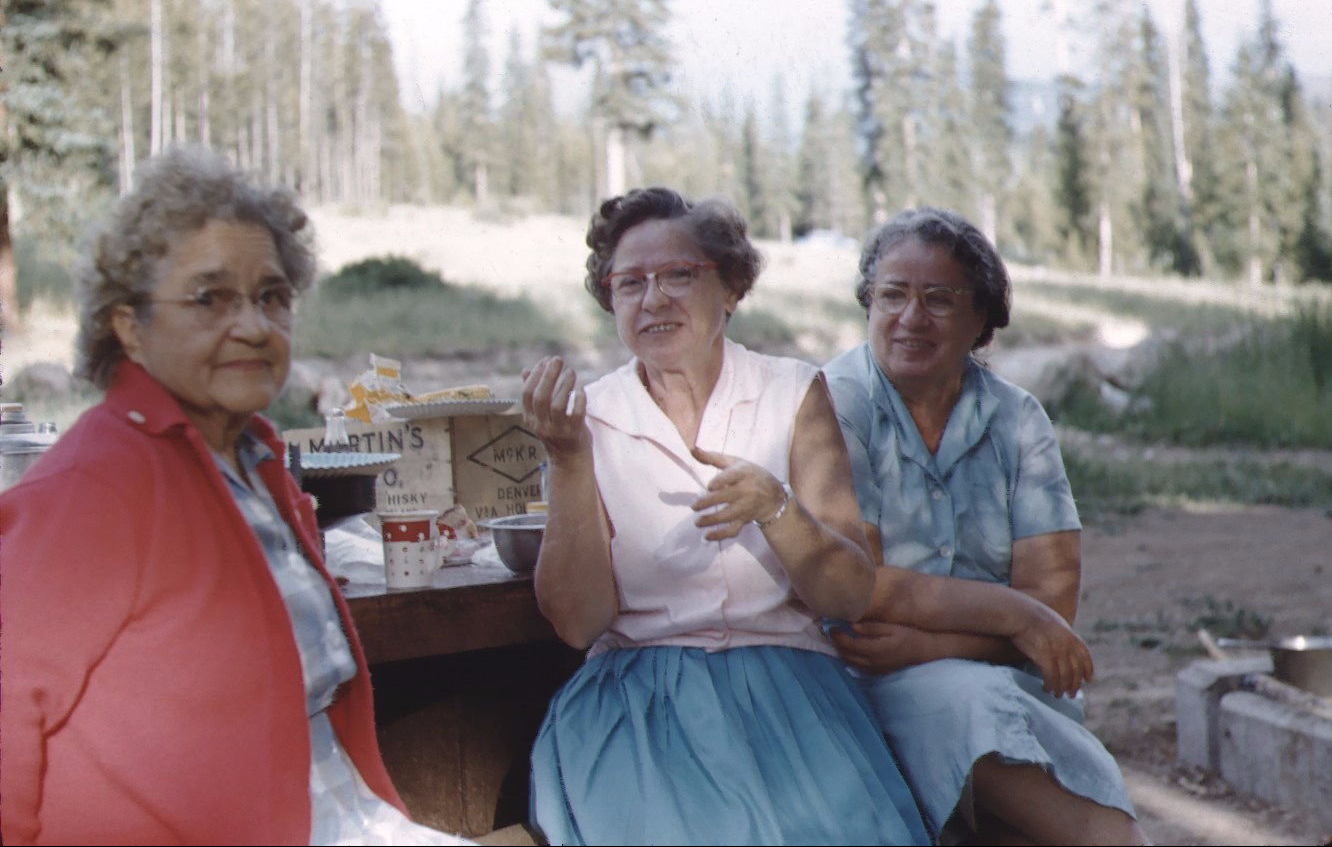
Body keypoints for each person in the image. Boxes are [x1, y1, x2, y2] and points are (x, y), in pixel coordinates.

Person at [0, 146, 468, 846]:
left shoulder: (254, 461)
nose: (253, 325)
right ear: (129, 324)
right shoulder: (95, 486)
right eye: (209, 297)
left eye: (272, 296)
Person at [521, 187, 929, 846]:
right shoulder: (588, 416)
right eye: (629, 283)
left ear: (732, 286)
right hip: (638, 704)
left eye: (679, 275)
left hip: (788, 693)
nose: (653, 299)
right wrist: (569, 461)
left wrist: (776, 508)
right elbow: (577, 621)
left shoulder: (792, 390)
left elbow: (849, 593)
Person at [822, 207, 1148, 845]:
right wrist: (1014, 618)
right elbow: (860, 590)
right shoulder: (837, 403)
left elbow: (1052, 605)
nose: (911, 318)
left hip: (1001, 684)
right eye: (893, 295)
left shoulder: (1016, 419)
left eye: (938, 300)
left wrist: (936, 645)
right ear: (868, 303)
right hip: (865, 687)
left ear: (981, 319)